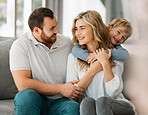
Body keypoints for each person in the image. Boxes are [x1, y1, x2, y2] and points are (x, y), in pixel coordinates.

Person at [9, 7, 83, 115]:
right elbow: (22, 84)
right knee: (24, 97)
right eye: (52, 28)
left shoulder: (66, 42)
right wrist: (60, 89)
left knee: (74, 108)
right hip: (36, 98)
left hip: (61, 101)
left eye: (56, 25)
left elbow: (82, 51)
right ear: (36, 30)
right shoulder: (20, 45)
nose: (57, 31)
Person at [66, 10, 135, 115]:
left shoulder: (114, 54)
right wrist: (94, 69)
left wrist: (105, 63)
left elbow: (114, 92)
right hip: (91, 108)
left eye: (82, 28)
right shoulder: (74, 57)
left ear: (94, 28)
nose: (78, 33)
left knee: (102, 102)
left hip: (116, 105)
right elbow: (73, 94)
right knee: (87, 102)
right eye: (76, 29)